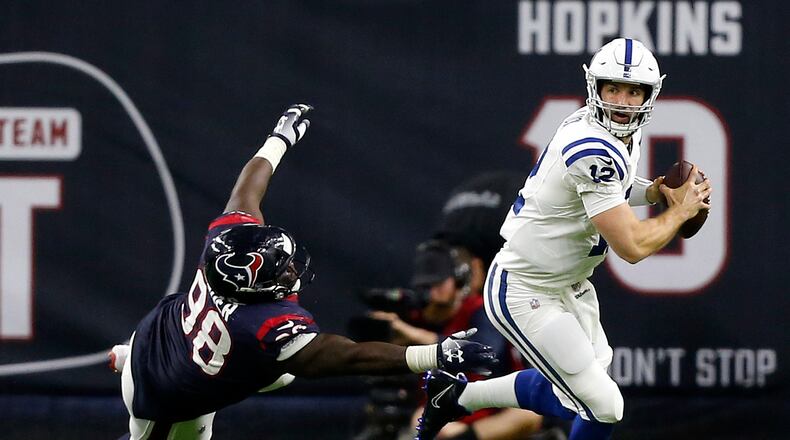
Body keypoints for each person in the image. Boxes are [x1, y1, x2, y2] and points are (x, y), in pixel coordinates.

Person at [109, 103, 498, 440]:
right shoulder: (263, 323)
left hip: (161, 330)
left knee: (278, 368)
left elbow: (246, 192)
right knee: (277, 368)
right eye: (282, 270)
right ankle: (131, 368)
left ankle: (127, 356)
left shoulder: (227, 243)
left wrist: (279, 139)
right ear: (258, 289)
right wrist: (434, 354)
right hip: (167, 391)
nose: (292, 269)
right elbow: (348, 357)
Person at [415, 38, 713, 440]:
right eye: (613, 89)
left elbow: (613, 188)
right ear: (596, 88)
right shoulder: (591, 145)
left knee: (578, 396)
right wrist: (679, 210)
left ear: (649, 95)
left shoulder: (616, 135)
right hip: (526, 287)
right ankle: (457, 398)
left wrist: (656, 193)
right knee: (604, 406)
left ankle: (455, 397)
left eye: (632, 91)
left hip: (566, 282)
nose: (622, 101)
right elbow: (633, 247)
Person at [369, 240, 545, 440]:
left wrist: (415, 335)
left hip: (491, 413)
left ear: (459, 280)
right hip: (443, 412)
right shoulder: (418, 317)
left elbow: (484, 351)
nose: (432, 292)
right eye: (426, 285)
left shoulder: (480, 309)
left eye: (438, 282)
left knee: (527, 414)